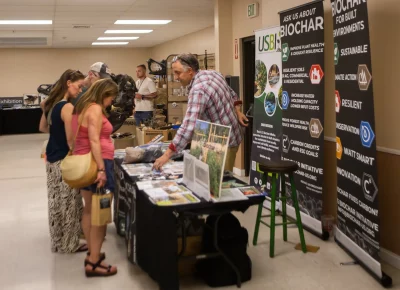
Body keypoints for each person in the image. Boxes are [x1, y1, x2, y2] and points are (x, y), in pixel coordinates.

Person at [153, 53, 248, 171]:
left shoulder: (198, 90)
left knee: (219, 184)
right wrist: (238, 111)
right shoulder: (213, 73)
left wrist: (166, 155)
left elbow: (189, 126)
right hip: (227, 136)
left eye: (178, 73)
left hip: (223, 144)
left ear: (190, 71)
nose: (176, 77)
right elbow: (232, 93)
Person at [71, 78, 118, 277]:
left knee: (89, 209)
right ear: (104, 94)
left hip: (84, 163)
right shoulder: (96, 109)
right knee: (101, 214)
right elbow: (94, 140)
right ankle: (94, 262)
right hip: (98, 164)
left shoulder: (82, 107)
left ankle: (93, 251)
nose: (111, 102)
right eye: (111, 98)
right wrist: (101, 169)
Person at [39, 69, 88, 253]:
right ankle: (69, 244)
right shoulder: (67, 107)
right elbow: (71, 139)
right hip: (65, 160)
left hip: (51, 158)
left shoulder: (52, 105)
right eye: (79, 86)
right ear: (69, 83)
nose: (80, 90)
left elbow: (42, 127)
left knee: (55, 201)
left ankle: (57, 241)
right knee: (70, 203)